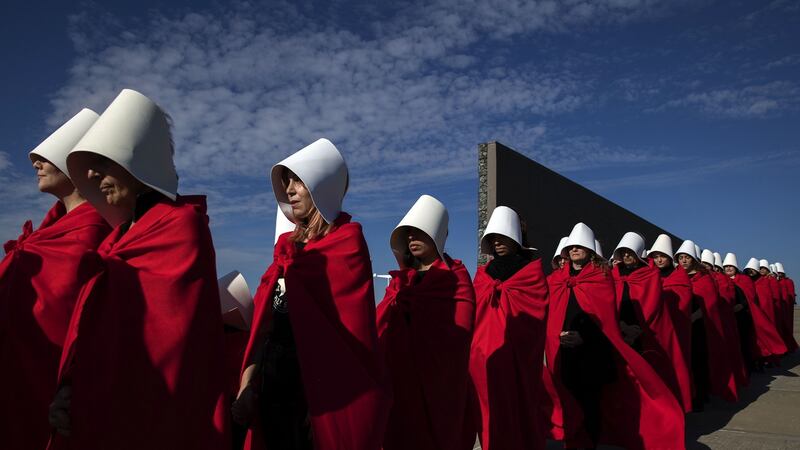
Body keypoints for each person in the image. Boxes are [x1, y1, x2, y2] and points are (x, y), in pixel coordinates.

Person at [47, 89, 228, 450]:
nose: (94, 174)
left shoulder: (180, 227)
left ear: (137, 162)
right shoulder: (112, 242)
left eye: (105, 161)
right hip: (95, 408)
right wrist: (69, 386)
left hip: (151, 414)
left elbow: (173, 340)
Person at [233, 139, 391, 450]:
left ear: (321, 184)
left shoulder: (347, 245)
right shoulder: (284, 253)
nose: (288, 190)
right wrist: (247, 385)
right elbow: (263, 329)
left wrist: (324, 401)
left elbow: (350, 338)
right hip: (272, 386)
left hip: (315, 396)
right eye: (285, 182)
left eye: (297, 181)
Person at [0, 109, 110, 450]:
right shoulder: (41, 236)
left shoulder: (98, 231)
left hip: (50, 385)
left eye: (47, 157)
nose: (35, 162)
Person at [543, 223, 684, 450]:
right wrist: (555, 334)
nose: (575, 250)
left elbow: (604, 317)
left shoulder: (601, 276)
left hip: (592, 350)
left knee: (590, 403)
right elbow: (550, 313)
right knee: (569, 400)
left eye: (580, 246)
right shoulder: (556, 279)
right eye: (572, 247)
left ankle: (588, 444)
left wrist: (585, 337)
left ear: (589, 249)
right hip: (564, 349)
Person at [376, 195, 476, 450]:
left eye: (418, 233)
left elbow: (460, 333)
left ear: (435, 236)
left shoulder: (455, 277)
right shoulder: (400, 281)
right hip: (400, 383)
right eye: (408, 235)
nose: (412, 239)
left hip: (437, 384)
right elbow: (380, 324)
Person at [469, 206, 548, 450]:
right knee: (487, 409)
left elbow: (536, 313)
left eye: (503, 237)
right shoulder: (483, 274)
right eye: (494, 238)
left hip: (517, 355)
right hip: (483, 356)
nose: (498, 243)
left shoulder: (530, 273)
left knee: (517, 406)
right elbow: (474, 310)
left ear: (516, 239)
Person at [611, 232, 689, 412]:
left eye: (630, 252)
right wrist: (619, 327)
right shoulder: (613, 275)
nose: (627, 256)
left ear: (638, 254)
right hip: (618, 330)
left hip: (642, 332)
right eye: (623, 252)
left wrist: (635, 330)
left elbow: (652, 304)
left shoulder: (649, 275)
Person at [675, 241, 737, 410]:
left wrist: (694, 316)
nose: (684, 261)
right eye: (681, 258)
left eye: (687, 257)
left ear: (693, 259)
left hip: (699, 326)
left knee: (698, 360)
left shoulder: (704, 279)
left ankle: (700, 395)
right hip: (682, 325)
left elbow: (710, 303)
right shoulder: (677, 277)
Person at [646, 234, 693, 412]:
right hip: (652, 329)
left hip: (673, 329)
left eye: (662, 256)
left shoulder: (680, 278)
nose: (659, 260)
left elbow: (682, 305)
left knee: (674, 367)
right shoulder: (647, 276)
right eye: (656, 256)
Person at [723, 254, 786, 370]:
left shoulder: (744, 280)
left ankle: (751, 365)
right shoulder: (722, 279)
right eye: (726, 266)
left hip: (744, 315)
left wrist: (741, 305)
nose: (728, 268)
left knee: (746, 342)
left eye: (730, 266)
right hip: (728, 316)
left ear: (735, 267)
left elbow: (751, 297)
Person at [702, 249, 748, 387]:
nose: (705, 267)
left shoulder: (723, 280)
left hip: (724, 320)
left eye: (707, 264)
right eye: (702, 263)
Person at [775, 262, 797, 352]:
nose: (779, 274)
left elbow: (790, 293)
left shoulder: (788, 281)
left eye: (780, 273)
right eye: (778, 273)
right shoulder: (776, 281)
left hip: (786, 306)